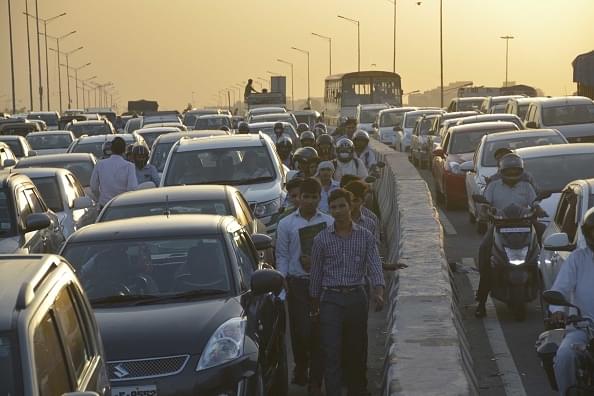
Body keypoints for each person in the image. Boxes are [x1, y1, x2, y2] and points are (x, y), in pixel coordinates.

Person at [309, 188, 385, 396]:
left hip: (356, 297)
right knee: (331, 351)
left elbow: (374, 266)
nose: (339, 211)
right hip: (331, 299)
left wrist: (378, 291)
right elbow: (315, 275)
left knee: (356, 350)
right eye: (334, 207)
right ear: (330, 210)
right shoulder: (321, 240)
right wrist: (314, 305)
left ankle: (357, 390)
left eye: (342, 206)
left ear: (350, 205)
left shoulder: (366, 236)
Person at [276, 178, 334, 395]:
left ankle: (315, 381)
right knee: (301, 332)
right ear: (298, 198)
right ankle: (301, 367)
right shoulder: (286, 224)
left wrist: (317, 263)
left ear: (320, 198)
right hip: (297, 284)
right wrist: (282, 281)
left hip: (322, 284)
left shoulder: (329, 223)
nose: (309, 201)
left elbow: (334, 255)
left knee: (319, 332)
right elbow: (282, 256)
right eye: (305, 197)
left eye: (313, 197)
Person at [475, 153, 538, 317]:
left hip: (525, 226)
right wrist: (485, 210)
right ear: (502, 171)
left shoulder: (527, 186)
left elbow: (535, 202)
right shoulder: (494, 185)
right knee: (484, 253)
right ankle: (481, 302)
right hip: (499, 227)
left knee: (548, 249)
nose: (512, 175)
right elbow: (485, 204)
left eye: (515, 171)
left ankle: (551, 300)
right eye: (508, 172)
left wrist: (538, 209)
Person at [550, 208, 594, 395]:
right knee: (564, 356)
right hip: (584, 328)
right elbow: (559, 289)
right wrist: (558, 310)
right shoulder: (578, 259)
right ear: (588, 233)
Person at [90, 136, 138, 208]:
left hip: (105, 206)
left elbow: (93, 187)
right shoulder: (130, 166)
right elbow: (132, 188)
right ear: (124, 150)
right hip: (124, 206)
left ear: (111, 149)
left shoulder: (100, 164)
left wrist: (101, 198)